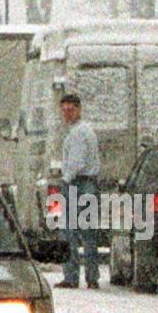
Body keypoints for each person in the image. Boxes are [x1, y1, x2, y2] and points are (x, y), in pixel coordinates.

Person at [57, 92, 100, 289]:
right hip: (89, 184)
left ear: (79, 110)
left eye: (71, 110)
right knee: (89, 233)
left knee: (68, 231)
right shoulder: (86, 130)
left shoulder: (77, 133)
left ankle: (71, 276)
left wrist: (65, 180)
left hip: (77, 184)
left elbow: (76, 162)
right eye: (64, 110)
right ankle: (92, 276)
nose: (67, 114)